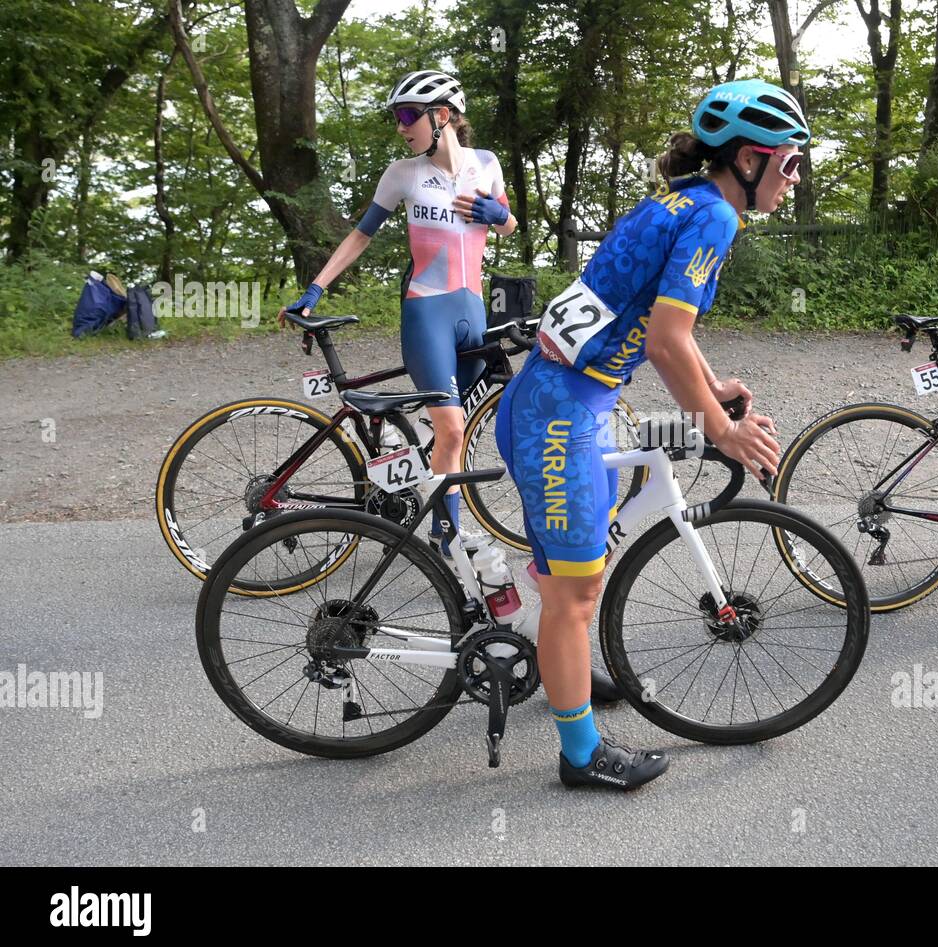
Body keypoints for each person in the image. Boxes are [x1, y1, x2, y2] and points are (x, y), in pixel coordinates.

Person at [495, 79, 809, 790]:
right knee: (574, 595)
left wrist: (715, 381)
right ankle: (580, 756)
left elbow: (670, 329)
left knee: (571, 582)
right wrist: (722, 429)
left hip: (566, 397)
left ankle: (561, 664)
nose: (793, 180)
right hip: (561, 410)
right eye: (790, 164)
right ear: (751, 161)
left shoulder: (684, 200)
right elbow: (666, 343)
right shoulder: (715, 219)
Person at [279, 70, 515, 558]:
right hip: (427, 313)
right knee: (452, 428)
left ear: (442, 116)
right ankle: (444, 540)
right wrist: (316, 286)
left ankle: (410, 485)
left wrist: (498, 216)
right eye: (397, 117)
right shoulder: (402, 174)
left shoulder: (487, 165)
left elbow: (510, 225)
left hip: (472, 311)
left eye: (408, 115)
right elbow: (360, 234)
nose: (401, 127)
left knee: (449, 431)